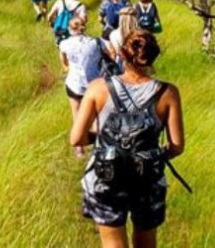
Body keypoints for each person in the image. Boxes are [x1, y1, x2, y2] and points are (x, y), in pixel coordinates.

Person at [70, 30, 185, 248]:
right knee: (147, 242)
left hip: (106, 178)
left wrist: (100, 137)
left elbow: (76, 138)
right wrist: (153, 153)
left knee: (113, 242)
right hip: (147, 179)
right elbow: (177, 146)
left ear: (122, 54)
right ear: (153, 56)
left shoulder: (97, 88)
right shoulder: (168, 92)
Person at [58, 16, 105, 156]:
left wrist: (68, 67)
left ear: (70, 29)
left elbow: (64, 62)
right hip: (94, 84)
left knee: (77, 115)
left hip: (75, 84)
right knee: (97, 115)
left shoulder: (64, 44)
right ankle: (98, 144)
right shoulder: (96, 42)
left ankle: (79, 148)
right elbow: (110, 54)